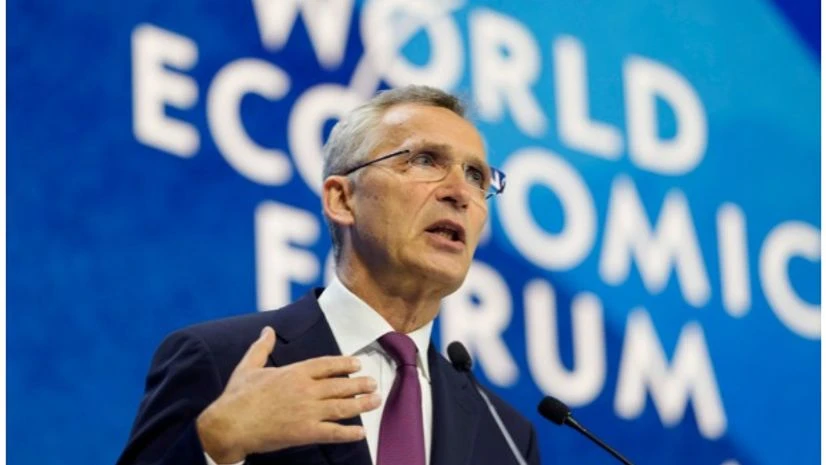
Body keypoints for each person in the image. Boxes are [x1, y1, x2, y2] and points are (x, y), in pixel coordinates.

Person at [117, 85, 541, 465]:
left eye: (476, 176)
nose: (460, 193)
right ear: (342, 199)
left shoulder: (505, 437)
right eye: (425, 160)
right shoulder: (221, 361)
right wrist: (215, 444)